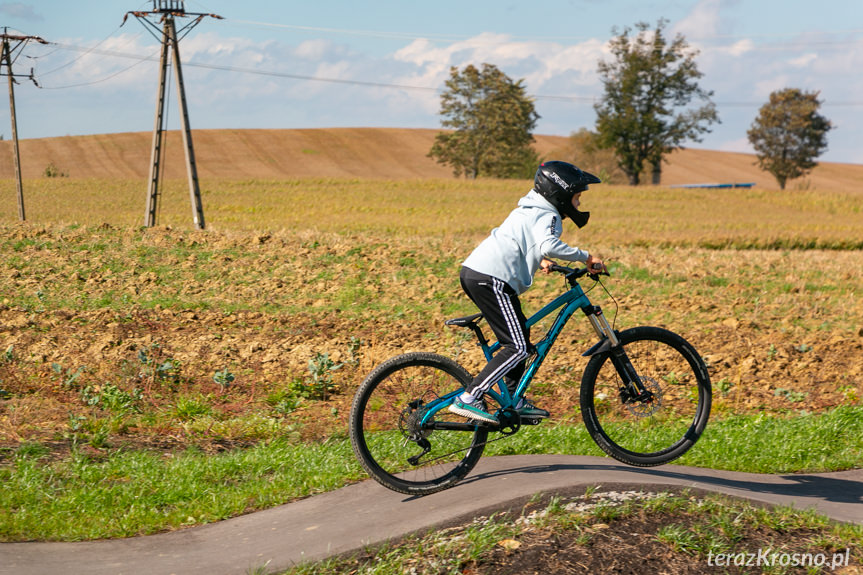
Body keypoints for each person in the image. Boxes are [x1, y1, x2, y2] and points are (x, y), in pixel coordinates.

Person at [448, 161, 606, 425]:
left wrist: (539, 259)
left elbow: (521, 240)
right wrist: (585, 257)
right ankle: (469, 398)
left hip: (478, 273)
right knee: (518, 346)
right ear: (562, 195)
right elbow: (547, 243)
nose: (578, 205)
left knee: (521, 333)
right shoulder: (549, 215)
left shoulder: (530, 208)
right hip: (491, 278)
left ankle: (512, 398)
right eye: (577, 198)